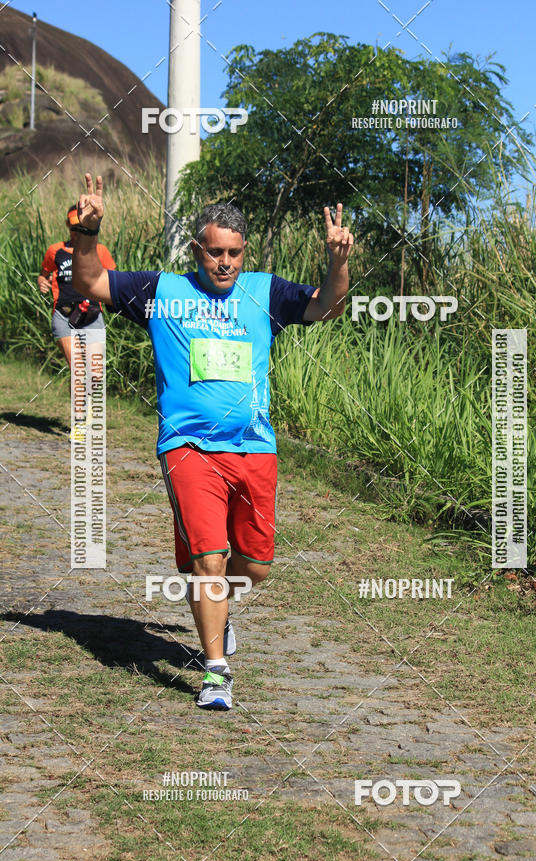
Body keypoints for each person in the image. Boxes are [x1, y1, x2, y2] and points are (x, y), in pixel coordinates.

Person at [72, 172, 354, 711]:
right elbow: (89, 282)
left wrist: (337, 261)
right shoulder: (162, 292)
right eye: (215, 252)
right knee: (209, 559)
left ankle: (216, 599)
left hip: (254, 448)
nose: (225, 263)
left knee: (254, 567)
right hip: (188, 447)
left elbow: (327, 306)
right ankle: (216, 670)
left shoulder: (266, 291)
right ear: (197, 249)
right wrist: (87, 231)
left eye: (235, 253)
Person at [39, 205, 116, 438]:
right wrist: (42, 282)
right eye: (73, 227)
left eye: (80, 227)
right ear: (68, 226)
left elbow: (112, 279)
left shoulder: (100, 251)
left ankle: (90, 411)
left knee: (95, 373)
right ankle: (80, 423)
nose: (76, 232)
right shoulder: (56, 251)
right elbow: (44, 273)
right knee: (78, 369)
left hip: (92, 316)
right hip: (64, 317)